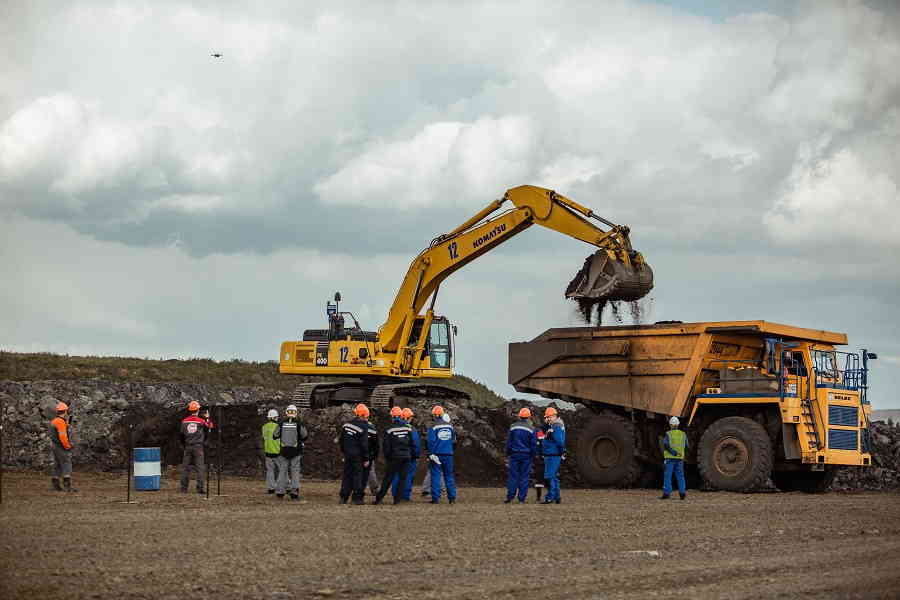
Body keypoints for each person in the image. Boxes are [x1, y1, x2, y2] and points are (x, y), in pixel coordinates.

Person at [374, 406, 415, 505]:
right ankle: (397, 500)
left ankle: (379, 499)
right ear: (401, 416)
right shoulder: (408, 428)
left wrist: (388, 457)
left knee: (388, 479)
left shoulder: (389, 429)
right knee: (402, 479)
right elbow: (411, 443)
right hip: (406, 457)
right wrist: (410, 454)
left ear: (392, 416)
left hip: (394, 457)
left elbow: (386, 446)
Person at [272, 404, 308, 500]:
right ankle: (294, 492)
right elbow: (305, 436)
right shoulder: (299, 423)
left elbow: (275, 435)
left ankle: (280, 492)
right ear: (296, 413)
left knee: (283, 471)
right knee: (295, 472)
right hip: (296, 452)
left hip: (284, 451)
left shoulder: (281, 423)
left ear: (286, 412)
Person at [339, 403, 371, 505]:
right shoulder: (364, 426)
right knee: (358, 476)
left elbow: (341, 440)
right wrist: (366, 458)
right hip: (358, 456)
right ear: (365, 415)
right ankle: (356, 499)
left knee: (347, 476)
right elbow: (364, 444)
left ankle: (343, 498)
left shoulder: (347, 424)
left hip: (348, 454)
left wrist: (344, 452)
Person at [505, 407, 537, 504]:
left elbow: (509, 442)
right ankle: (521, 499)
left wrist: (508, 452)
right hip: (526, 456)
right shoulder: (532, 429)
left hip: (514, 455)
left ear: (520, 416)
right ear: (529, 417)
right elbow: (533, 445)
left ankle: (510, 497)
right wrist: (533, 454)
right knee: (524, 477)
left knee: (513, 476)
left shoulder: (513, 426)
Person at [427, 406, 457, 504]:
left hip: (436, 455)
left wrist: (430, 453)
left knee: (435, 476)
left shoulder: (433, 427)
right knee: (449, 476)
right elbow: (454, 441)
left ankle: (435, 499)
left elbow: (430, 442)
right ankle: (452, 498)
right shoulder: (450, 426)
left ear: (434, 415)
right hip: (448, 455)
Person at [180, 400, 211, 494]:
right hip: (198, 447)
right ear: (197, 410)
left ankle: (184, 489)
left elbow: (181, 435)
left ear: (190, 410)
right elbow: (210, 427)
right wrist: (207, 418)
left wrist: (183, 445)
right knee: (200, 467)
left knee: (185, 468)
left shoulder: (184, 421)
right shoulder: (201, 421)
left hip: (187, 446)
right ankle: (200, 488)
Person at [391, 407, 420, 502]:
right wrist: (416, 455)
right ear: (408, 418)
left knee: (396, 475)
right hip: (409, 457)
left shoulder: (394, 428)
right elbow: (415, 444)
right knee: (407, 476)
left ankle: (395, 494)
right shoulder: (412, 429)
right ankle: (405, 496)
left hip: (395, 456)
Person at [539, 406, 566, 505]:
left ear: (554, 416)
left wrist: (561, 452)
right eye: (547, 417)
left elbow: (559, 441)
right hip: (552, 454)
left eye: (549, 417)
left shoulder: (556, 426)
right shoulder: (554, 425)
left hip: (553, 455)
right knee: (553, 477)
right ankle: (557, 497)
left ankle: (550, 498)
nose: (547, 419)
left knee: (550, 476)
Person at [49, 402, 77, 492]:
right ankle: (67, 486)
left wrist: (67, 425)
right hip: (61, 447)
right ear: (65, 411)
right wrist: (68, 446)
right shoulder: (61, 422)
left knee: (57, 465)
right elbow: (63, 436)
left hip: (54, 445)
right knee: (66, 464)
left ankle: (55, 485)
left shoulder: (54, 421)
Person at [660, 416, 688, 500]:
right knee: (680, 476)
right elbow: (686, 446)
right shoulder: (683, 434)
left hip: (670, 458)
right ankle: (682, 493)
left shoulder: (668, 434)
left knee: (668, 476)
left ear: (671, 425)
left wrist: (672, 452)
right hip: (680, 459)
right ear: (678, 424)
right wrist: (681, 454)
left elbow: (665, 444)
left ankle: (666, 493)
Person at [261, 409, 281, 494]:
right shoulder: (279, 427)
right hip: (278, 452)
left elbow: (264, 438)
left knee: (270, 471)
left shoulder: (264, 427)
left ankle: (271, 488)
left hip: (268, 452)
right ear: (275, 417)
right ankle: (287, 487)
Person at [365, 416, 379, 496]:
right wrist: (374, 455)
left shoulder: (355, 425)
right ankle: (374, 489)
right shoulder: (371, 427)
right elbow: (376, 443)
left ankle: (357, 489)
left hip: (358, 453)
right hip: (369, 453)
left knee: (356, 472)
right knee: (370, 471)